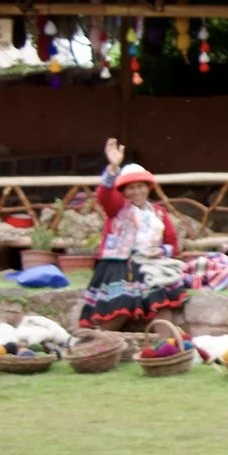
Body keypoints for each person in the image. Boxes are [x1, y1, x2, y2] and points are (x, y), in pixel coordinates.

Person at [79, 138, 191, 329]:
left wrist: (159, 251)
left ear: (148, 188)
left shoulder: (158, 213)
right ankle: (98, 346)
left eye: (140, 186)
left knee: (161, 301)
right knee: (121, 304)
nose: (136, 191)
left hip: (150, 264)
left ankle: (169, 349)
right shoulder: (118, 209)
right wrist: (113, 167)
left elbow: (172, 243)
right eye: (131, 187)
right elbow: (104, 195)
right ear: (124, 191)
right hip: (119, 265)